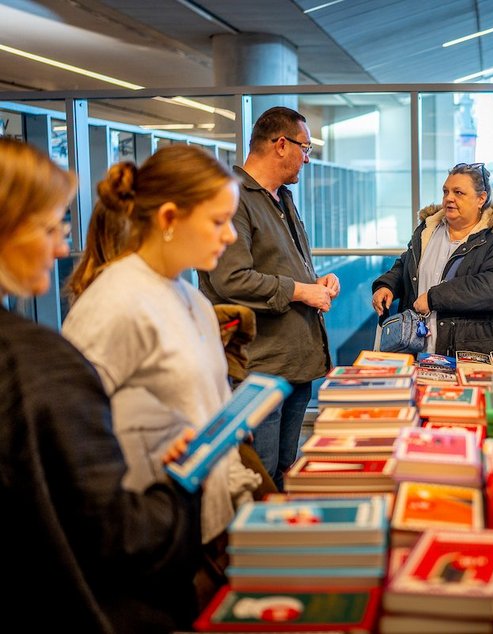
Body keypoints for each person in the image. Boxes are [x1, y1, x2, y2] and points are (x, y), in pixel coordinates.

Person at [0, 138, 202, 633]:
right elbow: (120, 535)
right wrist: (180, 487)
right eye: (50, 227)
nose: (62, 247)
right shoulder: (35, 363)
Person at [63, 144, 258, 607]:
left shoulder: (191, 299)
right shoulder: (114, 304)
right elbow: (71, 442)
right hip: (149, 547)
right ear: (169, 217)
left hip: (205, 530)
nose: (229, 235)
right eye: (217, 221)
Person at [200, 106, 339, 491]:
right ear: (281, 145)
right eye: (305, 149)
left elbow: (281, 265)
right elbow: (231, 278)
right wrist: (300, 290)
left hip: (295, 361)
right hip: (260, 365)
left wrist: (316, 281)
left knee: (284, 469)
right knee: (257, 474)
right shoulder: (233, 198)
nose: (307, 159)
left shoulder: (282, 198)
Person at [371, 162, 493, 355]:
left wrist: (433, 298)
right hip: (416, 348)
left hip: (466, 352)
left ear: (481, 198)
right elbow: (407, 265)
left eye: (458, 193)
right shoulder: (427, 230)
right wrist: (387, 285)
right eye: (445, 191)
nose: (449, 198)